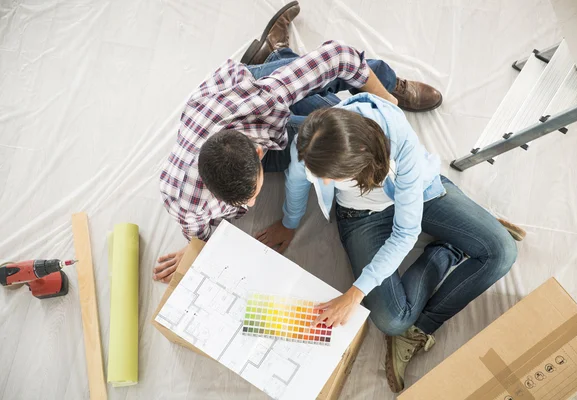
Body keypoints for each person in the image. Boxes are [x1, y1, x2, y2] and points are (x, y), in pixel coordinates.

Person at [155, 1, 444, 282]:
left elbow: (339, 57)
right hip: (224, 113)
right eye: (246, 200)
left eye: (253, 192)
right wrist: (193, 249)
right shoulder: (184, 199)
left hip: (244, 92)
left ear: (258, 152)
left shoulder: (266, 100)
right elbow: (201, 233)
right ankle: (276, 52)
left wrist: (387, 103)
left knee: (332, 119)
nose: (254, 203)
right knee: (321, 127)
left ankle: (388, 83)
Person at [257, 94, 525, 392]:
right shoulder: (311, 141)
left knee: (501, 252)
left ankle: (421, 327)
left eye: (333, 177)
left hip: (421, 195)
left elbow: (405, 232)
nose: (325, 185)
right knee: (393, 319)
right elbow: (296, 179)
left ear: (361, 155)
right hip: (360, 216)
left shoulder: (399, 140)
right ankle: (449, 247)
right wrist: (288, 223)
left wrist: (355, 294)